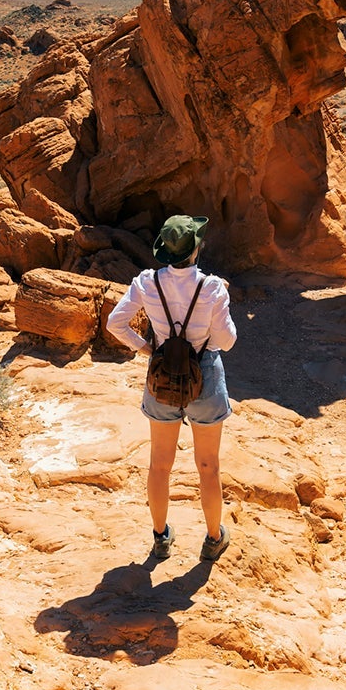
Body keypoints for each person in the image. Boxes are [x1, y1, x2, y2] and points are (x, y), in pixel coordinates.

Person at [106, 214, 238, 563]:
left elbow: (115, 323)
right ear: (196, 250)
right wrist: (221, 301)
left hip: (162, 374)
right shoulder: (211, 288)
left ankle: (161, 538)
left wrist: (147, 348)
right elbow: (226, 342)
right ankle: (213, 538)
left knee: (159, 465)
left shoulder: (147, 282)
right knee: (208, 465)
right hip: (204, 375)